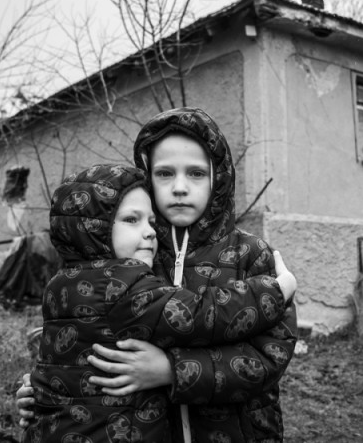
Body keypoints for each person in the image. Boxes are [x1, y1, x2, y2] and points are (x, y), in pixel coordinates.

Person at [19, 107, 298, 442]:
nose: (179, 187)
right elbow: (85, 337)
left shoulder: (251, 254)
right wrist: (43, 391)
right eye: (165, 173)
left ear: (219, 178)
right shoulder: (130, 254)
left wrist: (170, 370)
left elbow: (270, 355)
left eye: (196, 173)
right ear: (147, 178)